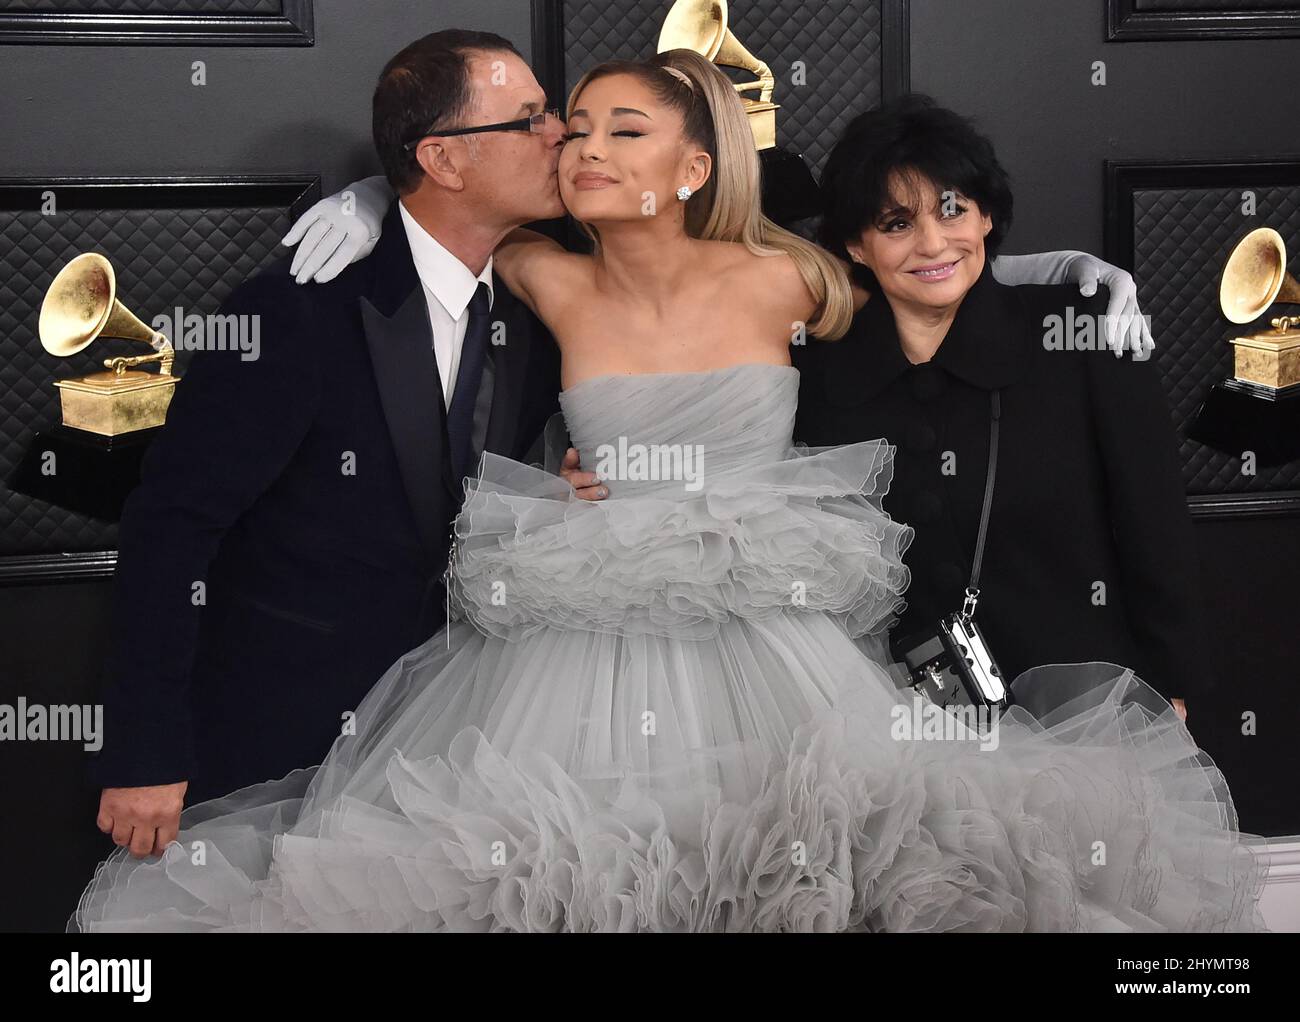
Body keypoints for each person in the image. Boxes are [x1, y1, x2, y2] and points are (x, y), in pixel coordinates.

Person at [72, 48, 1268, 933]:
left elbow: (917, 249)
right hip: (575, 637)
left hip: (772, 633)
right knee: (565, 880)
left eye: (610, 130)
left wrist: (1071, 268)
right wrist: (366, 196)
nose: (576, 147)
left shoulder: (791, 277)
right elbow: (441, 224)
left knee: (816, 873)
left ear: (696, 163)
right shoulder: (541, 273)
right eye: (561, 126)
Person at [86, 30, 589, 859]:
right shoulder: (297, 311)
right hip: (278, 739)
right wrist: (144, 748)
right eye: (529, 119)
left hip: (457, 739)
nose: (559, 133)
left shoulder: (539, 304)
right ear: (444, 159)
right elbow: (173, 525)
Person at [795, 95, 1205, 722]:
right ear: (856, 244)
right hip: (892, 721)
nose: (933, 243)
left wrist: (1170, 685)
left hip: (1086, 705)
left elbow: (1156, 526)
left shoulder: (1084, 334)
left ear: (986, 215)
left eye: (953, 210)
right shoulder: (814, 368)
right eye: (897, 224)